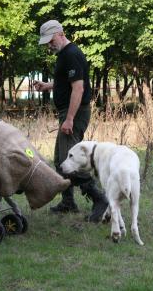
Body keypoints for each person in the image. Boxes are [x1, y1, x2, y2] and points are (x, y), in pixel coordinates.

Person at [33, 20, 108, 222]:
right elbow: (65, 82)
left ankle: (100, 200)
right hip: (68, 113)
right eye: (46, 42)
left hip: (74, 114)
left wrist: (69, 119)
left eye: (50, 40)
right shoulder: (64, 55)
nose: (49, 45)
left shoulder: (72, 54)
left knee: (71, 162)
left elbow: (78, 88)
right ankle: (68, 203)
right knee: (61, 160)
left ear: (60, 33)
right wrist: (48, 86)